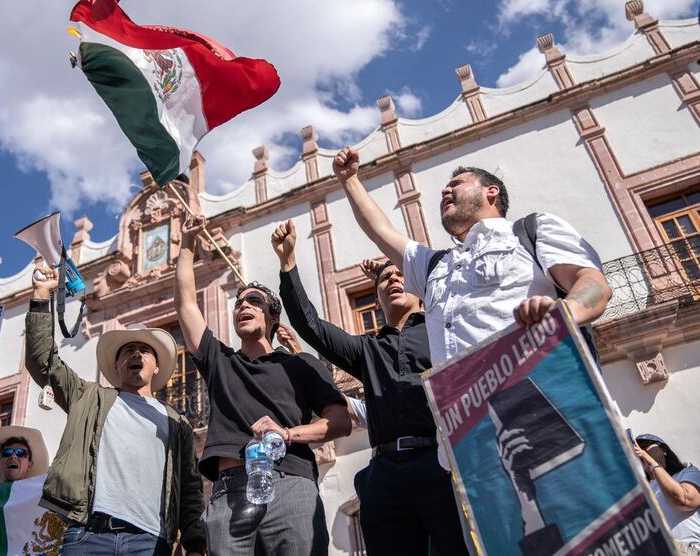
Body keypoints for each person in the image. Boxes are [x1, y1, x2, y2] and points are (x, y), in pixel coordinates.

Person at [272, 219, 468, 555]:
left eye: (400, 274)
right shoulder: (368, 349)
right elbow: (311, 325)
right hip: (384, 474)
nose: (393, 279)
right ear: (376, 299)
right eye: (385, 279)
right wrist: (288, 263)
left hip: (441, 464)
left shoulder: (442, 327)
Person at [332, 146, 612, 365]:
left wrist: (563, 313)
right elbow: (380, 230)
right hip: (465, 423)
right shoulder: (434, 266)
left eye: (457, 183)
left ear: (491, 191)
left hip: (539, 395)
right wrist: (350, 181)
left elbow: (593, 284)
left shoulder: (531, 230)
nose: (445, 190)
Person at [174, 213, 351, 556]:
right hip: (228, 493)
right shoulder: (219, 360)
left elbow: (340, 421)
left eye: (254, 302)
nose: (243, 306)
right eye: (239, 303)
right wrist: (185, 246)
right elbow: (185, 304)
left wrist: (287, 435)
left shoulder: (301, 364)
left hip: (291, 484)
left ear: (272, 318)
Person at [26, 264, 205, 556]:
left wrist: (196, 545)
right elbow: (41, 361)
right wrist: (41, 294)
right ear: (117, 365)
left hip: (150, 542)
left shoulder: (177, 423)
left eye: (144, 350)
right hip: (87, 536)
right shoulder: (88, 396)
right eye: (128, 350)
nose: (136, 353)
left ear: (157, 366)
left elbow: (190, 489)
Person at [634, 434, 700, 552]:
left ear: (664, 450)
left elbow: (685, 501)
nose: (641, 451)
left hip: (687, 548)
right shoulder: (641, 491)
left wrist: (652, 464)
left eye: (645, 446)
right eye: (637, 449)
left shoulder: (688, 473)